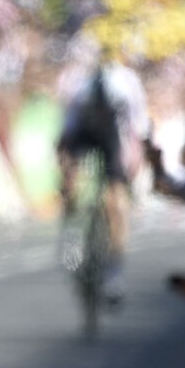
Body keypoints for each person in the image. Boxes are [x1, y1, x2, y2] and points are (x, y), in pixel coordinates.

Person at [56, 56, 150, 304]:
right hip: (84, 131)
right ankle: (72, 234)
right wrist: (67, 182)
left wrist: (132, 168)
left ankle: (114, 269)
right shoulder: (79, 90)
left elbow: (136, 131)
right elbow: (65, 138)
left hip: (113, 133)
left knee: (116, 201)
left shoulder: (126, 85)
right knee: (71, 180)